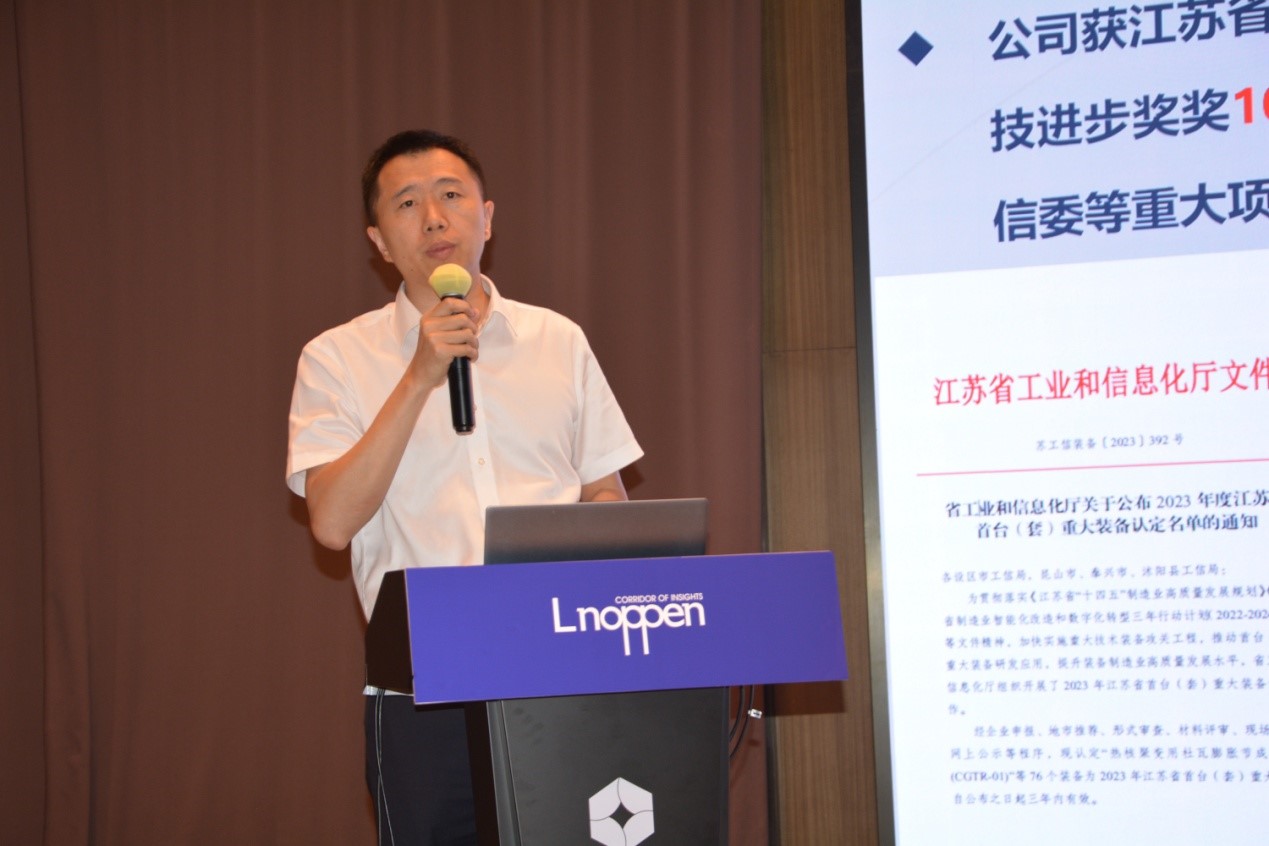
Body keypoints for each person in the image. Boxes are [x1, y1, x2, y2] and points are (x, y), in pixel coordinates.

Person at [286, 129, 643, 845]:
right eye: (406, 204)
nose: (433, 218)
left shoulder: (558, 341)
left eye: (451, 195)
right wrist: (419, 375)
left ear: (487, 218)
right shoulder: (336, 358)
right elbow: (330, 522)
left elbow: (606, 496)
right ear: (379, 242)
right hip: (423, 689)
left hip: (557, 671)